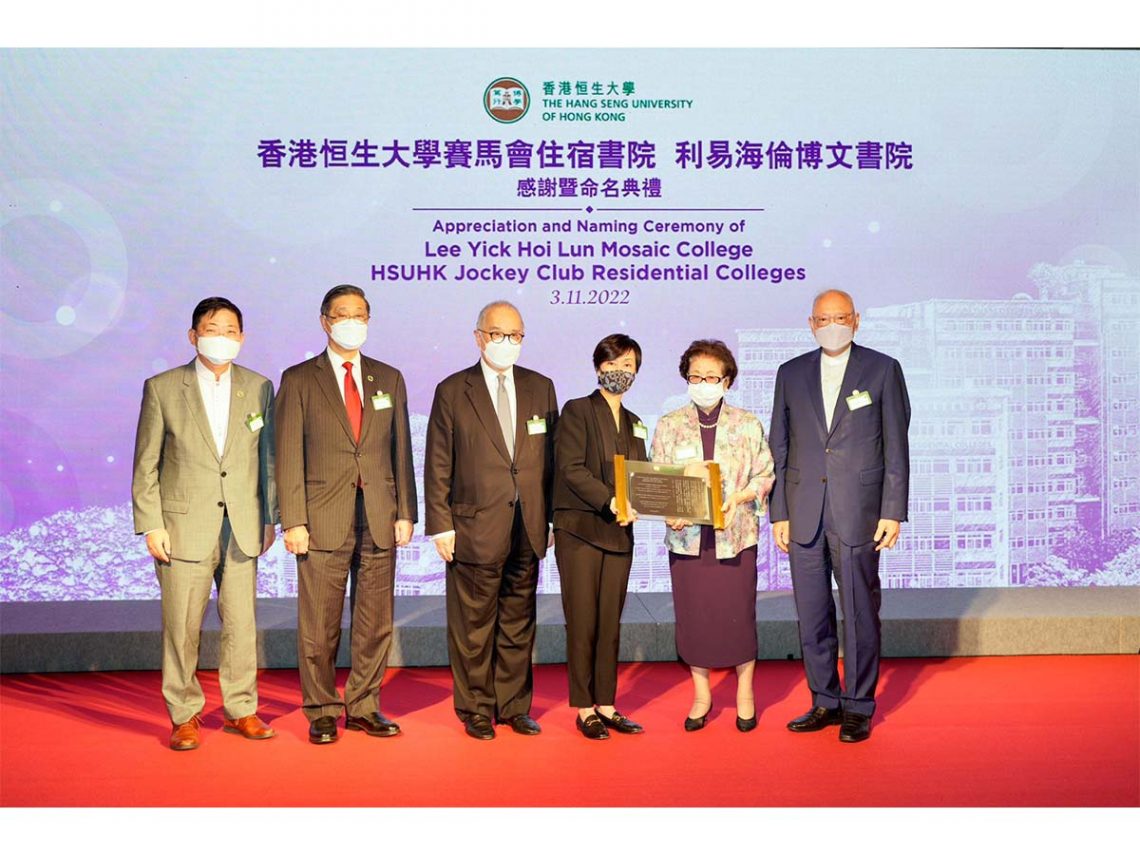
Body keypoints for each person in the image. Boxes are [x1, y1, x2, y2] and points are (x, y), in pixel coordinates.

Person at [132, 297, 277, 751]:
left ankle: (241, 709)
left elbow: (267, 458)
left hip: (242, 524)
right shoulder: (162, 387)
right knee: (182, 626)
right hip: (181, 528)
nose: (222, 337)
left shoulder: (258, 387)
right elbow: (146, 464)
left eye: (231, 329)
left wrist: (271, 517)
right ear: (193, 336)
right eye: (213, 328)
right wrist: (151, 523)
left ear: (242, 337)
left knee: (241, 625)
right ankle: (184, 714)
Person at [276, 284, 417, 745]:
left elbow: (401, 449)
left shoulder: (388, 378)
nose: (352, 322)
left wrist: (406, 512)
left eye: (360, 314)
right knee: (318, 624)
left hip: (378, 514)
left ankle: (364, 705)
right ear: (325, 322)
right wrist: (292, 519)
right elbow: (288, 454)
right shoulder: (299, 378)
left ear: (369, 321)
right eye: (342, 315)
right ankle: (320, 709)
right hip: (321, 518)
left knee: (375, 621)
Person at [769, 289, 911, 743]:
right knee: (812, 614)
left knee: (860, 611)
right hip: (804, 512)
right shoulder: (790, 373)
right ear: (811, 324)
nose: (833, 324)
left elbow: (896, 447)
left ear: (857, 319)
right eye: (824, 318)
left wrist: (893, 510)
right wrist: (779, 512)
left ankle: (859, 704)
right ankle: (824, 699)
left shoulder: (882, 369)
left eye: (841, 317)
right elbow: (780, 445)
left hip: (859, 512)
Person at [424, 300, 558, 740]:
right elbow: (438, 462)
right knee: (473, 627)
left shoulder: (541, 388)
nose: (507, 343)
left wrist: (552, 519)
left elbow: (551, 461)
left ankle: (515, 705)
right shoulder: (452, 390)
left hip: (529, 525)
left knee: (519, 621)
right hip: (472, 527)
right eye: (498, 334)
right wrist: (440, 524)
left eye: (516, 335)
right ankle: (477, 708)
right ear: (479, 336)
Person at [649, 339, 774, 733]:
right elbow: (657, 478)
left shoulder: (747, 423)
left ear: (727, 380)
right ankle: (701, 694)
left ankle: (745, 694)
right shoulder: (670, 424)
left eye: (711, 377)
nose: (703, 383)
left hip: (733, 535)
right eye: (695, 377)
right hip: (687, 542)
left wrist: (742, 495)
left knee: (738, 616)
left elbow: (765, 473)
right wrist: (669, 510)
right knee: (695, 618)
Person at [552, 334, 648, 740]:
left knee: (610, 622)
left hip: (620, 534)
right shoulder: (576, 410)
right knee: (583, 621)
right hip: (580, 531)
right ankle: (584, 707)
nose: (619, 372)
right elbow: (571, 468)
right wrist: (610, 500)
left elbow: (643, 476)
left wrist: (651, 502)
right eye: (613, 364)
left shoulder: (636, 422)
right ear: (597, 368)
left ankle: (607, 704)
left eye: (628, 366)